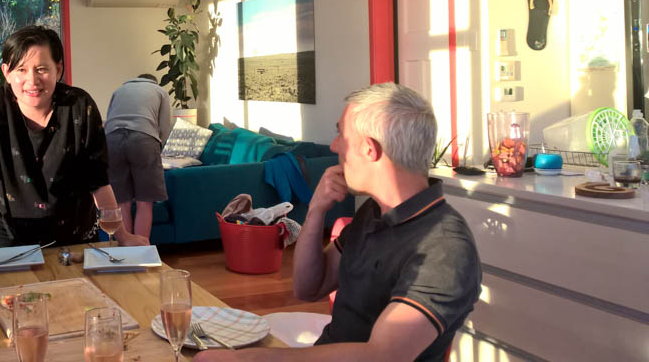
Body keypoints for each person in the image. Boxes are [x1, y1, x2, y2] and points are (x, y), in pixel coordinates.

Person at [195, 83, 481, 362]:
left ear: (369, 150)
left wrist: (248, 358)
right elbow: (308, 288)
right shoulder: (374, 212)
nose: (334, 146)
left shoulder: (444, 248)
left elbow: (383, 356)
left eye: (341, 134)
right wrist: (316, 210)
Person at [0, 25, 149, 255]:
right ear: (7, 72)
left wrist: (123, 236)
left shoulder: (80, 106)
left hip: (73, 237)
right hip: (10, 236)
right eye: (21, 69)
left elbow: (98, 181)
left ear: (58, 69)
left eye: (41, 69)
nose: (32, 81)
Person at [104, 74, 172, 239]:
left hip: (111, 140)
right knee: (144, 202)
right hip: (143, 138)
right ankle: (141, 248)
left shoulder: (119, 90)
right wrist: (157, 148)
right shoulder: (159, 91)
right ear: (154, 82)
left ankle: (125, 248)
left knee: (122, 201)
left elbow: (108, 120)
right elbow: (165, 127)